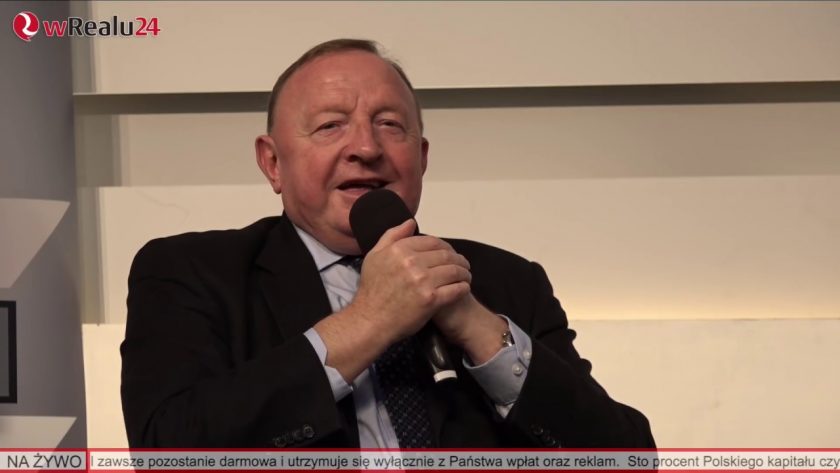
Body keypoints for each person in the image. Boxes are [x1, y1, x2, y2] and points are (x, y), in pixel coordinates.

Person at [121, 38, 655, 448]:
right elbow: (168, 446)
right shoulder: (190, 271)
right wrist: (371, 319)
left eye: (390, 124)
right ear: (273, 162)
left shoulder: (507, 281)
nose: (366, 147)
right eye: (330, 126)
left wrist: (478, 329)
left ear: (421, 157)